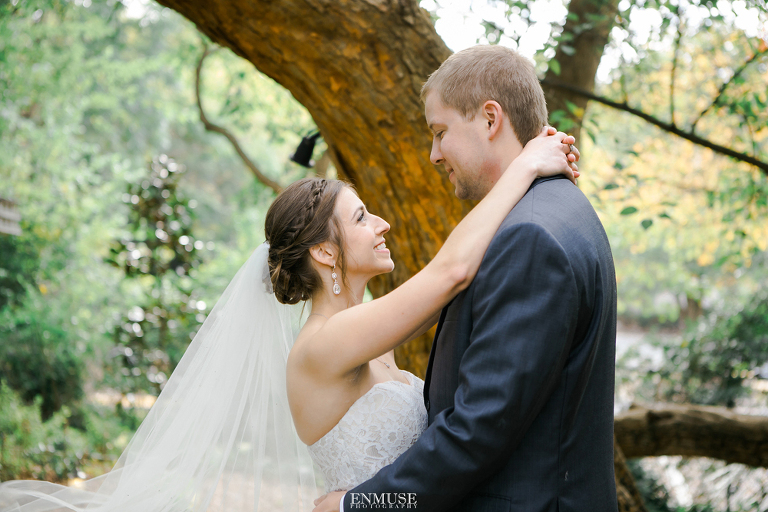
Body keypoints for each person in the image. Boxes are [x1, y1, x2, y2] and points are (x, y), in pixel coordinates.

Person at [0, 75, 577, 512]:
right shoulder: (325, 345)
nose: (383, 224)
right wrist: (525, 165)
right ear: (326, 252)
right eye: (361, 217)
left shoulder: (370, 329)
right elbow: (449, 272)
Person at [314, 45, 618, 512]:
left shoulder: (529, 238)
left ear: (490, 119)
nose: (433, 154)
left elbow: (477, 431)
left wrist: (360, 506)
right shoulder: (556, 211)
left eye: (440, 132)